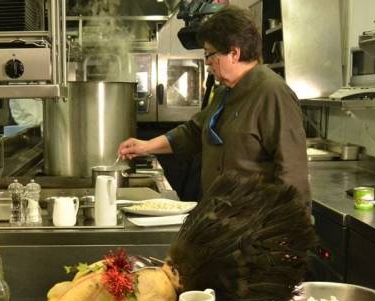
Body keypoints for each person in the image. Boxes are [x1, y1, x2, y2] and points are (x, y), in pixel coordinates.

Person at [117, 5, 310, 202]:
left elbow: (292, 175)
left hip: (253, 223)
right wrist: (145, 146)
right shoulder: (225, 92)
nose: (207, 63)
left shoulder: (272, 94)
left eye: (209, 54)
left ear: (234, 53)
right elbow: (193, 132)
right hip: (221, 217)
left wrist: (287, 230)